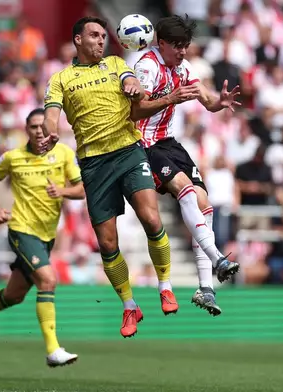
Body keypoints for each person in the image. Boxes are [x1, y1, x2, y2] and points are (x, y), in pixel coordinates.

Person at [39, 16, 175, 338]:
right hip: (94, 164)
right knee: (107, 243)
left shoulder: (116, 64)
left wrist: (133, 86)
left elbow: (135, 86)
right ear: (77, 40)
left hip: (128, 151)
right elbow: (51, 114)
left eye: (103, 36)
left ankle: (165, 286)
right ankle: (129, 306)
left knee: (151, 218)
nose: (101, 41)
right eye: (94, 35)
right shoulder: (61, 78)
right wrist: (51, 131)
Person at [0, 108, 84, 367]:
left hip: (47, 236)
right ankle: (52, 350)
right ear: (26, 130)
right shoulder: (14, 158)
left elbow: (81, 190)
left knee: (14, 295)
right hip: (21, 230)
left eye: (42, 126)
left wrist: (62, 191)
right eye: (33, 126)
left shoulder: (64, 154)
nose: (38, 131)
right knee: (48, 280)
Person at [130, 15, 241, 315]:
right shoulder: (147, 66)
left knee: (205, 203)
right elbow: (133, 110)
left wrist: (220, 102)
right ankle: (217, 258)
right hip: (143, 142)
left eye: (186, 46)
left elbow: (205, 99)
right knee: (184, 189)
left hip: (168, 141)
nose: (182, 52)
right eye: (177, 46)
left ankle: (205, 289)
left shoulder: (183, 67)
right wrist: (171, 98)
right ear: (161, 43)